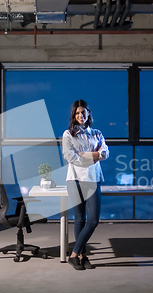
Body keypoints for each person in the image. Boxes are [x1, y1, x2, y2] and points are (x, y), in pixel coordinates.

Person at [62, 99, 109, 270]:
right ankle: (82, 256)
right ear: (73, 115)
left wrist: (85, 155)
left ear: (88, 113)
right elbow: (71, 157)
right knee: (80, 218)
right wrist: (93, 155)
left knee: (94, 220)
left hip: (93, 178)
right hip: (74, 179)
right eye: (77, 113)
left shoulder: (97, 133)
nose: (80, 115)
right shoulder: (68, 134)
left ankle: (74, 254)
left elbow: (105, 153)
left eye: (83, 112)